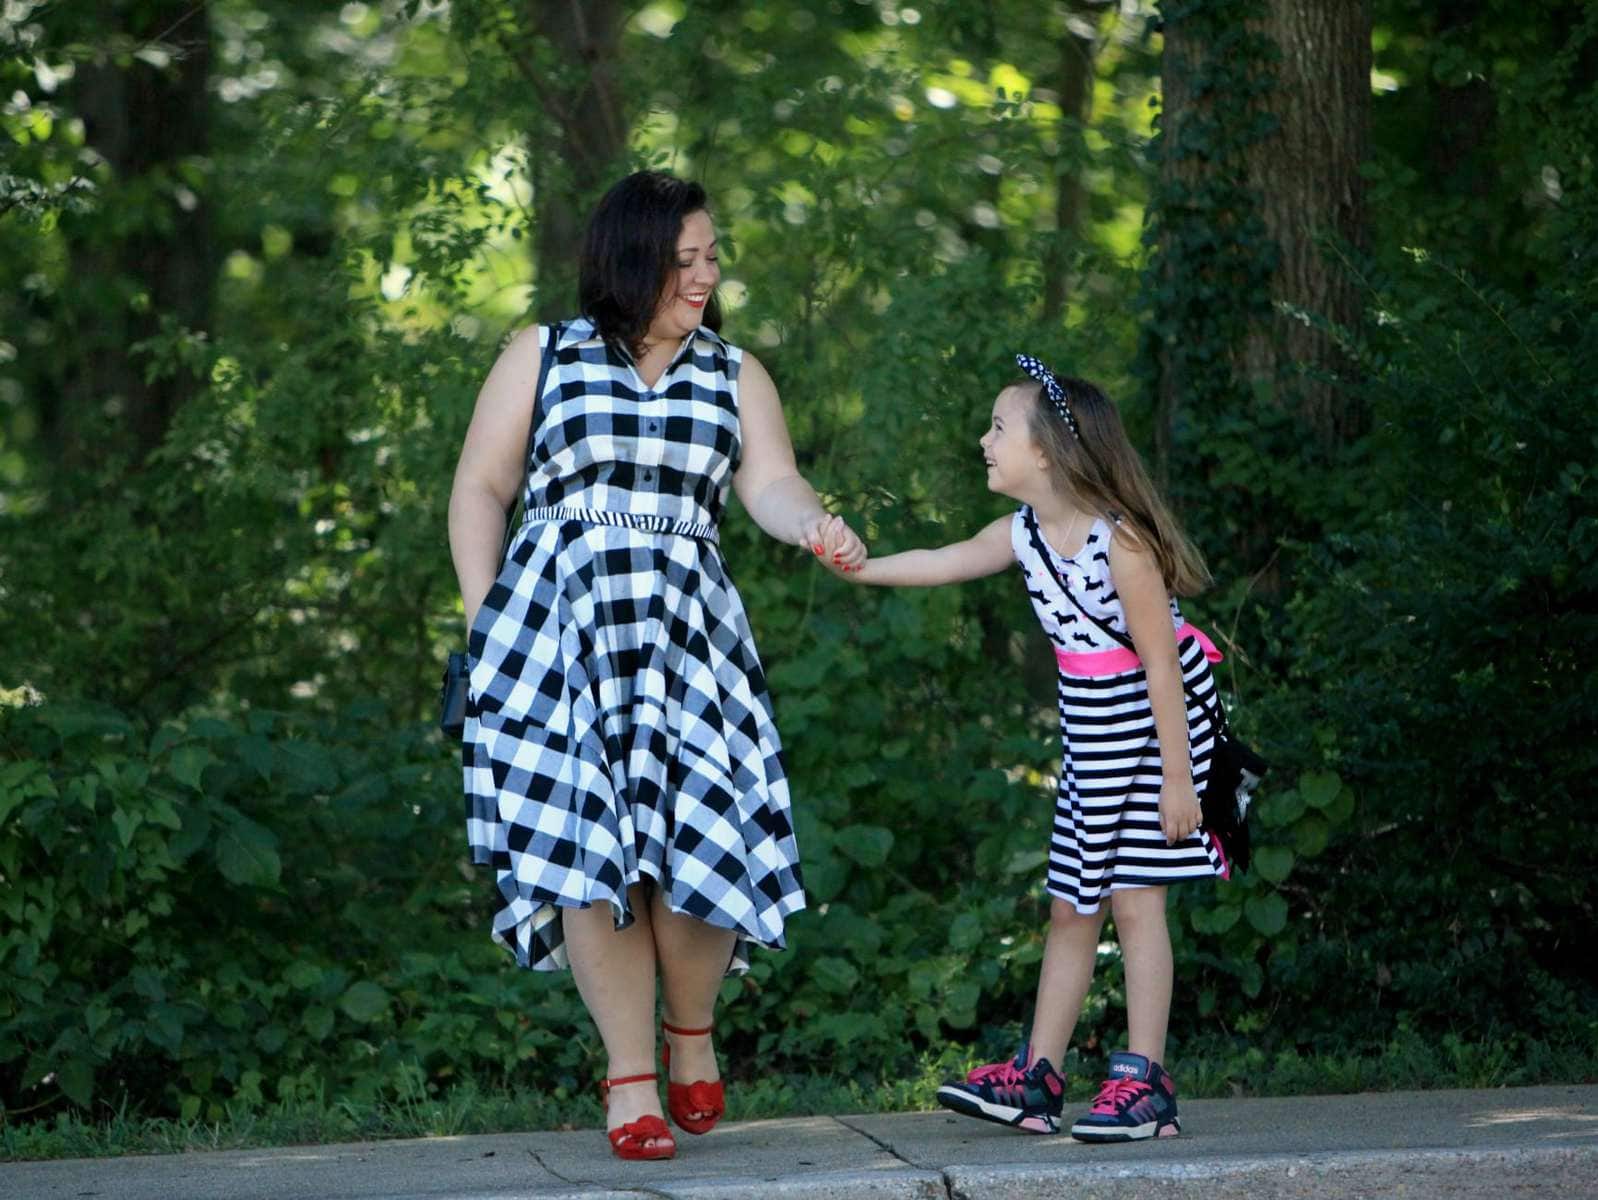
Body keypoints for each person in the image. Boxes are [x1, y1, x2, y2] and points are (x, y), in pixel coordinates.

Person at [448, 170, 866, 1162]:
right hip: (558, 637)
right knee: (586, 857)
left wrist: (812, 524)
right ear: (631, 259)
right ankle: (629, 1077)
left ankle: (690, 1030)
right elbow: (479, 488)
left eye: (710, 256)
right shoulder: (541, 356)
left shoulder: (733, 372)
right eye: (684, 258)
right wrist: (488, 626)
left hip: (689, 638)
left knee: (700, 840)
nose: (704, 274)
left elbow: (767, 480)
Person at [832, 355, 1229, 1142]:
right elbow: (945, 561)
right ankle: (1038, 1078)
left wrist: (1180, 781)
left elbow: (1161, 667)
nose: (983, 440)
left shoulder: (1122, 546)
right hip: (1093, 734)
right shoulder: (1024, 534)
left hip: (1155, 732)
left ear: (1046, 452)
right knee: (1070, 904)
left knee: (1135, 902)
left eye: (997, 427)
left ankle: (1145, 1081)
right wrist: (861, 566)